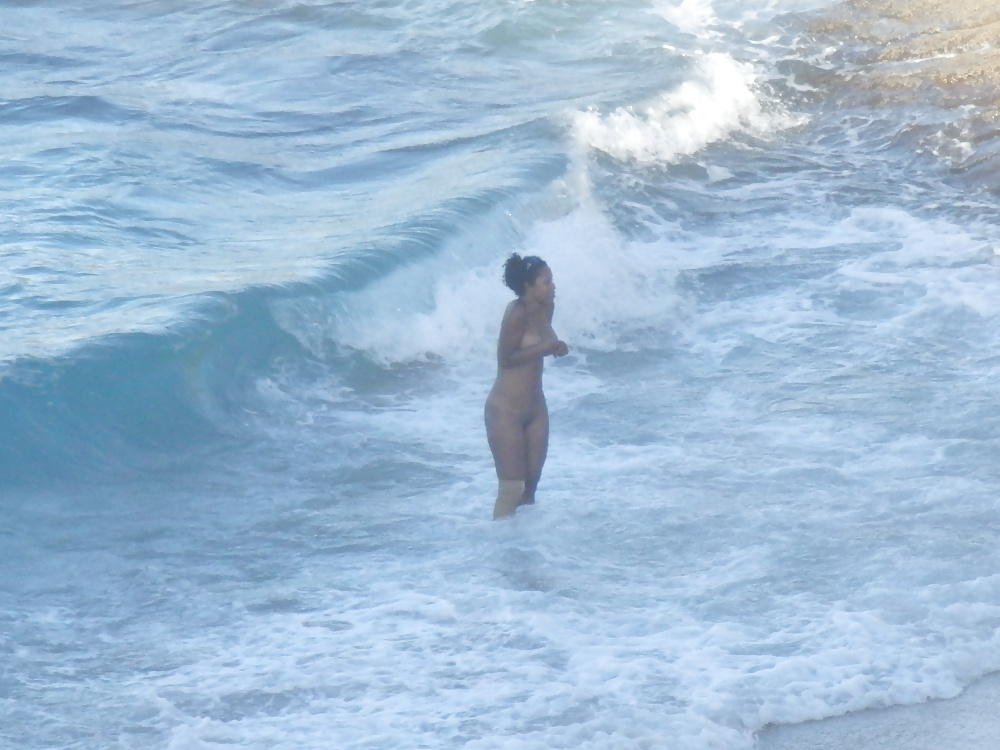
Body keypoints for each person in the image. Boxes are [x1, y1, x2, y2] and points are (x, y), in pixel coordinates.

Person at [485, 253, 569, 519]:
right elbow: (506, 359)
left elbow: (546, 333)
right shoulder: (516, 313)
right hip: (506, 410)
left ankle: (522, 551)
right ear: (528, 287)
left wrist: (555, 345)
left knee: (529, 490)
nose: (552, 286)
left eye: (551, 280)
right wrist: (545, 347)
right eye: (546, 282)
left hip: (535, 407)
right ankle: (496, 548)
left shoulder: (546, 306)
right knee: (512, 489)